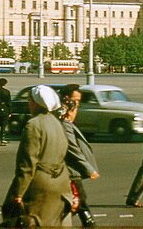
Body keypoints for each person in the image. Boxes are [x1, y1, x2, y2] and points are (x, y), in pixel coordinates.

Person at [2, 85, 71, 227]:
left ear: (35, 103)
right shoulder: (57, 124)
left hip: (40, 184)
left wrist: (18, 192)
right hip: (61, 182)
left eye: (29, 100)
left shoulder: (33, 125)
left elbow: (27, 163)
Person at [59, 85, 98, 227]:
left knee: (78, 200)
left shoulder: (65, 119)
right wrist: (89, 169)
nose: (77, 105)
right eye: (75, 100)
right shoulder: (64, 122)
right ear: (66, 99)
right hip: (69, 169)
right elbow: (72, 148)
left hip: (70, 171)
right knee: (79, 200)